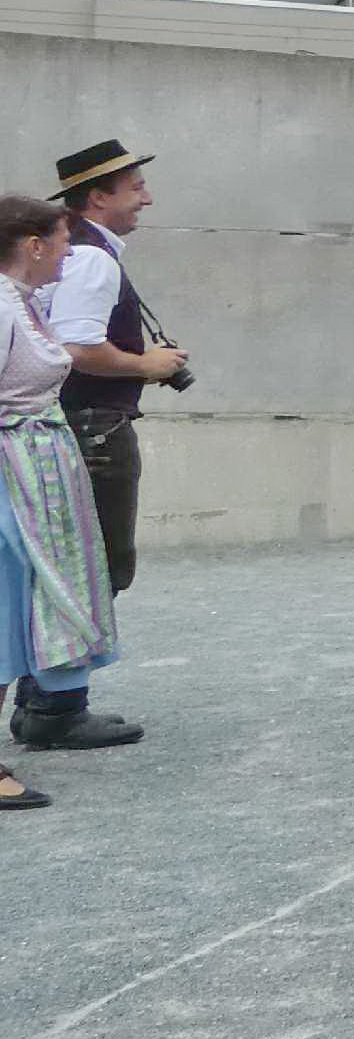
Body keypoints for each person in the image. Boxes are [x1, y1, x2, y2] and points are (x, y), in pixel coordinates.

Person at [16, 140, 180, 753]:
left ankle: (43, 698)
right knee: (93, 565)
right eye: (134, 187)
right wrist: (147, 364)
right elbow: (79, 349)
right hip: (93, 430)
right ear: (97, 197)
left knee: (64, 563)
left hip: (71, 426)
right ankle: (55, 706)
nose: (146, 199)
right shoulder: (90, 258)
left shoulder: (77, 253)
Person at [0, 196, 125, 812]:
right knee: (3, 608)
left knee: (18, 607)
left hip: (31, 469)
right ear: (33, 245)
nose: (67, 254)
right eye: (61, 241)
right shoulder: (2, 307)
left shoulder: (21, 302)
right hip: (11, 475)